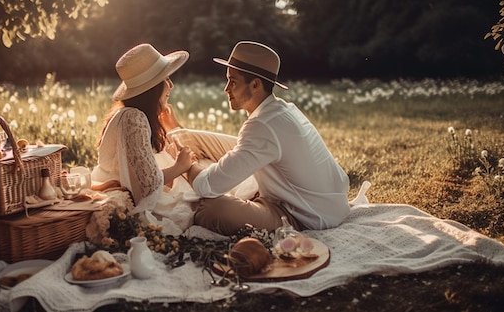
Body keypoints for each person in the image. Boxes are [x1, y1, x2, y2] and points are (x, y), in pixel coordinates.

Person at [167, 41, 351, 235]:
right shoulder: (279, 109)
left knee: (211, 210)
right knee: (185, 137)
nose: (226, 89)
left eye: (233, 81)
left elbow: (207, 187)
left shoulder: (263, 126)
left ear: (255, 84)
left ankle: (194, 163)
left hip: (305, 215)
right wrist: (179, 132)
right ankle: (185, 143)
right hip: (329, 202)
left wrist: (187, 165)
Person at [91, 43, 197, 234]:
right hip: (135, 199)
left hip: (130, 188)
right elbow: (146, 186)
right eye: (166, 79)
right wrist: (180, 166)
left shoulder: (129, 114)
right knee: (198, 201)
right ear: (153, 88)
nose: (171, 86)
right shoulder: (134, 119)